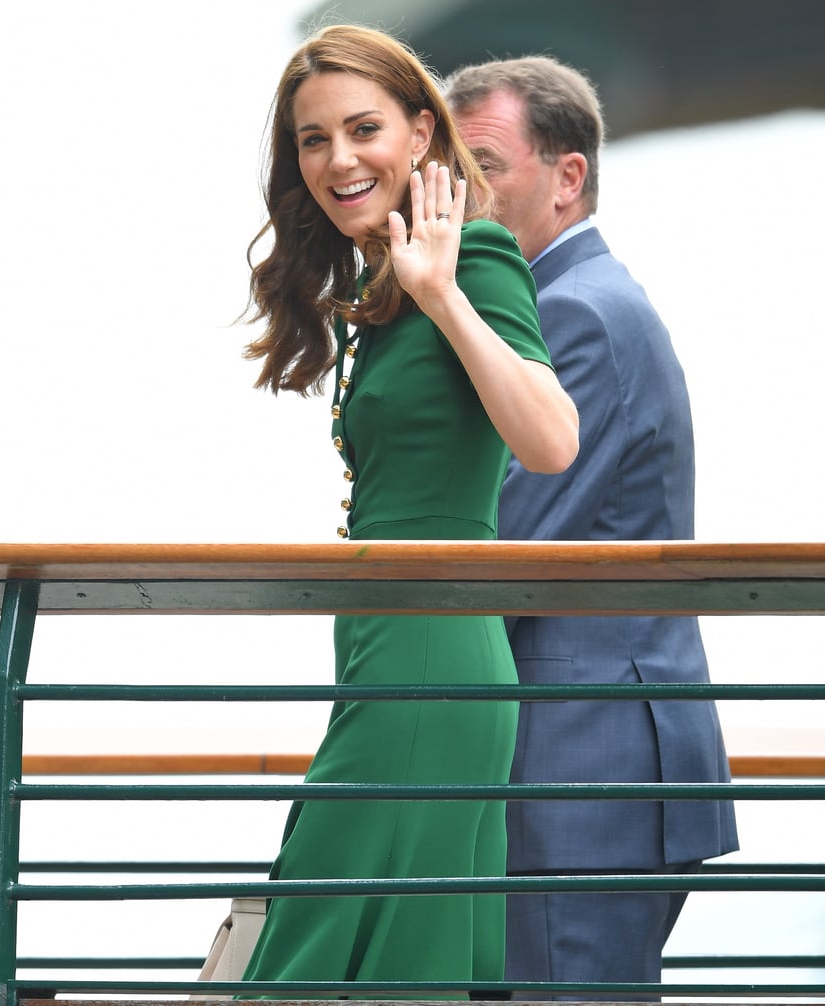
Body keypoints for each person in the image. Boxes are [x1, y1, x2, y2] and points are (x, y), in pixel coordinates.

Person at [236, 24, 579, 996]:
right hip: (385, 651)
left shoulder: (467, 258)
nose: (337, 159)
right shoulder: (380, 283)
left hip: (432, 659)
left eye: (362, 128)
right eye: (312, 140)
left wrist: (442, 295)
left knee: (316, 955)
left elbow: (551, 438)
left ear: (422, 133)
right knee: (379, 960)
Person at [444, 56, 739, 999]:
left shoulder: (572, 311)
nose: (459, 193)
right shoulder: (570, 302)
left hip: (581, 760)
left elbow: (505, 546)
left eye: (483, 163)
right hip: (597, 752)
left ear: (567, 177)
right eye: (447, 165)